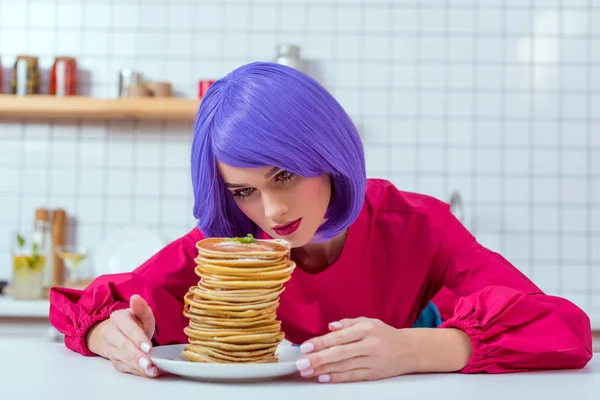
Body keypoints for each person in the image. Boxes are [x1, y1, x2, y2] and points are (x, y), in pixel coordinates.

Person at [49, 62, 592, 383]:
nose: (272, 211)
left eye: (284, 176)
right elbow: (86, 305)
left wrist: (415, 350)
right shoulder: (227, 245)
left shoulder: (419, 225)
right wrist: (107, 334)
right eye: (244, 191)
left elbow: (564, 330)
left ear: (328, 155)